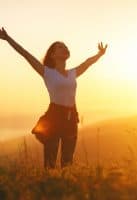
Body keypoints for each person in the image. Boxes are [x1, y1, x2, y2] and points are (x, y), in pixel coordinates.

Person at [0, 27, 107, 169]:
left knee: (67, 162)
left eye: (65, 46)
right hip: (54, 117)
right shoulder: (47, 72)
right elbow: (25, 54)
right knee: (50, 162)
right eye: (60, 47)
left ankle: (66, 190)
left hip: (71, 118)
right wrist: (8, 39)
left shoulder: (72, 73)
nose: (64, 48)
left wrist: (100, 54)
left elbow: (87, 63)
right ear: (53, 55)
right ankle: (48, 188)